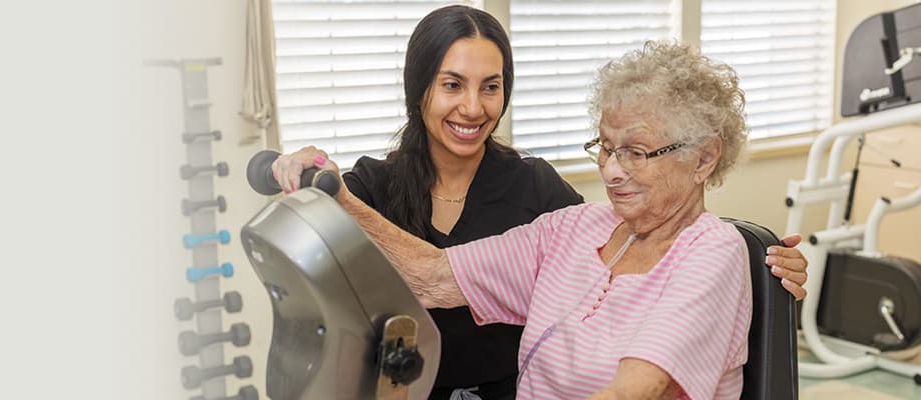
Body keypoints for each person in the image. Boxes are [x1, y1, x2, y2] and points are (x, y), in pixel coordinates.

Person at [269, 6, 809, 400]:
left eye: (637, 152)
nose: (613, 171)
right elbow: (435, 276)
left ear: (703, 159)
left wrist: (765, 266)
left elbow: (635, 392)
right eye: (606, 147)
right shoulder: (575, 228)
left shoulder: (706, 250)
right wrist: (335, 194)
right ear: (420, 89)